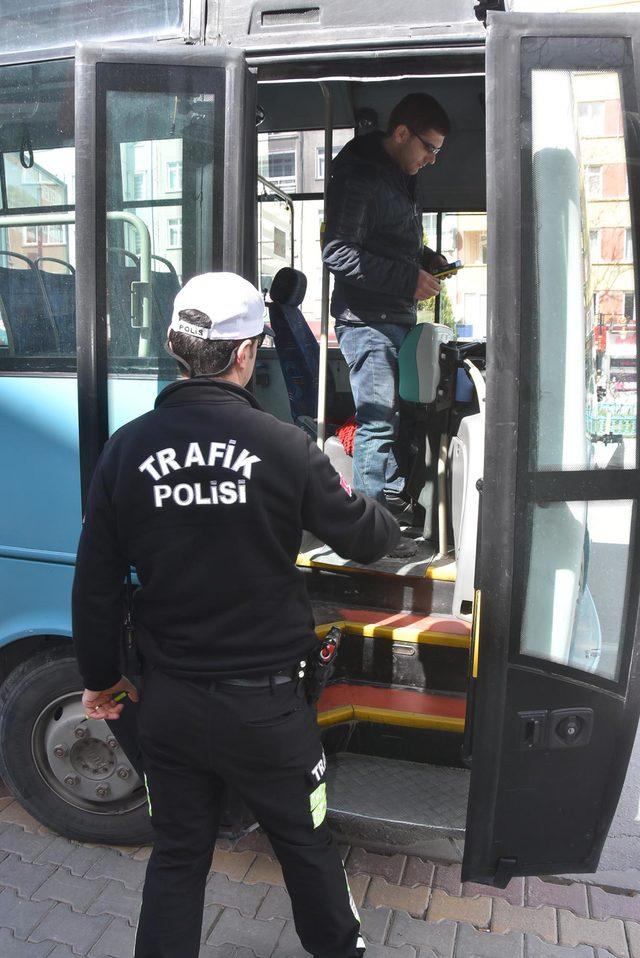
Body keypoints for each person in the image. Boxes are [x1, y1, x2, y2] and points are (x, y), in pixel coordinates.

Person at [72, 271, 400, 958]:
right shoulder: (284, 446)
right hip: (270, 714)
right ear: (247, 353)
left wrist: (101, 679)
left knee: (178, 855)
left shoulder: (125, 450)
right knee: (305, 848)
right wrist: (365, 491)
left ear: (174, 346)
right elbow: (369, 539)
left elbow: (96, 584)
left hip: (167, 704)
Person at [323, 92, 451, 558]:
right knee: (377, 424)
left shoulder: (396, 176)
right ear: (402, 134)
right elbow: (338, 252)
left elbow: (385, 240)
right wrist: (406, 275)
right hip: (368, 320)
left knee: (395, 421)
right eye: (429, 148)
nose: (432, 160)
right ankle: (369, 537)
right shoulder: (360, 176)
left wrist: (422, 260)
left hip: (392, 316)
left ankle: (385, 519)